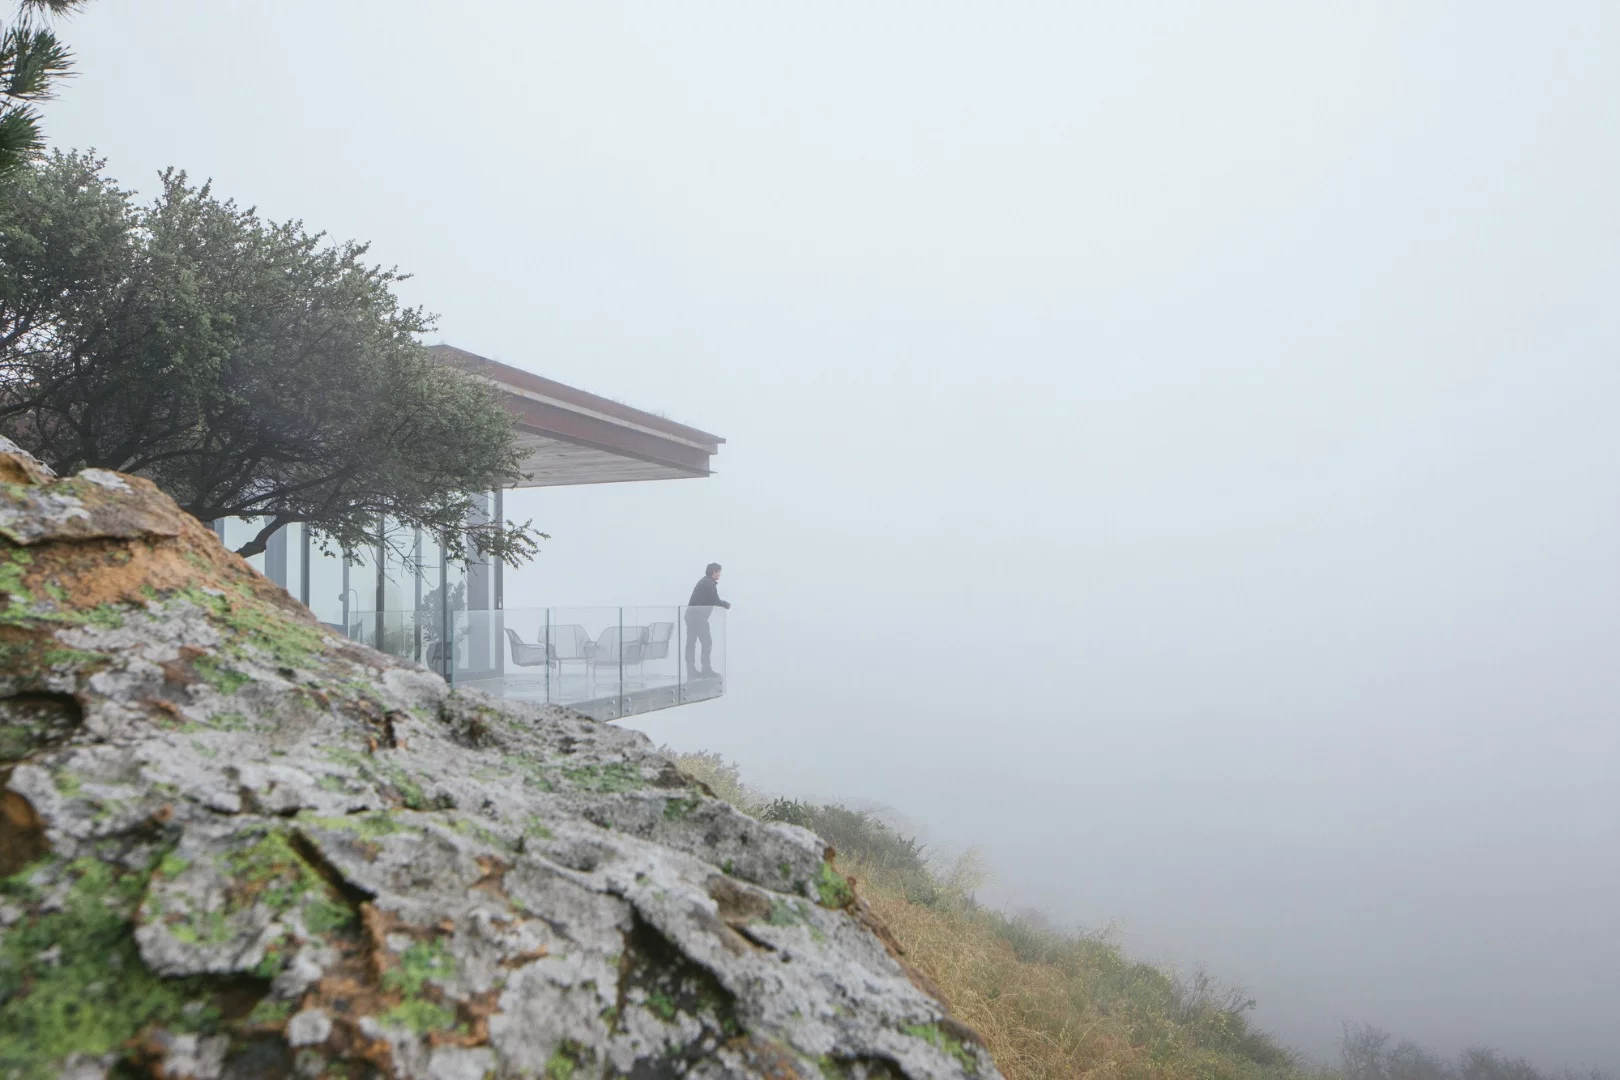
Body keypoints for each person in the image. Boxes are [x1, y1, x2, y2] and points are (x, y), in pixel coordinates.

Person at [685, 562, 730, 678]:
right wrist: (726, 604)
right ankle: (705, 669)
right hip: (698, 618)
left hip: (693, 616)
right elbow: (715, 600)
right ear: (713, 572)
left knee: (691, 643)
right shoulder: (709, 583)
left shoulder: (705, 582)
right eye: (719, 573)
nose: (719, 575)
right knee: (706, 642)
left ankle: (691, 671)